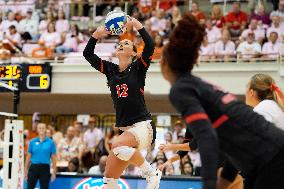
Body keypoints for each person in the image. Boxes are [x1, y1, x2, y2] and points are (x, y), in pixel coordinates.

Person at [159, 13, 284, 189]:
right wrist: (222, 182)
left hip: (270, 157)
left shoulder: (180, 89)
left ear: (164, 63)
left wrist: (209, 185)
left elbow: (206, 137)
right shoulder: (200, 86)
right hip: (264, 157)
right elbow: (233, 141)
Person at [83, 16, 161, 189]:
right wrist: (96, 35)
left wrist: (137, 25)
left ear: (133, 53)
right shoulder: (110, 70)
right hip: (127, 130)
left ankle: (151, 173)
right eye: (120, 43)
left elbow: (150, 46)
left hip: (143, 126)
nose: (121, 44)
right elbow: (87, 54)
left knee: (116, 144)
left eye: (126, 44)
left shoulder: (138, 67)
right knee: (108, 181)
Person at [24, 123, 57, 189]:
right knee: (30, 187)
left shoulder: (51, 142)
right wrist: (25, 171)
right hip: (33, 167)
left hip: (45, 168)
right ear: (37, 130)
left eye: (43, 128)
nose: (41, 129)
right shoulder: (32, 142)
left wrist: (54, 172)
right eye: (39, 128)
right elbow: (28, 157)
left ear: (45, 130)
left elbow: (53, 158)